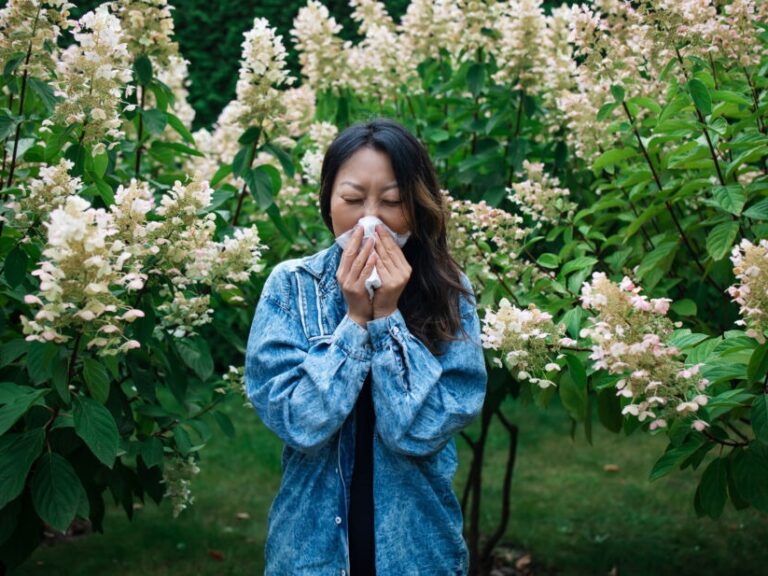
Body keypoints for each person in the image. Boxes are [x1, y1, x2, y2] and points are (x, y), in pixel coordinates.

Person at [245, 117, 488, 575]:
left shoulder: (450, 291)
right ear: (328, 201)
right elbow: (299, 422)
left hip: (418, 550)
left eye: (393, 201)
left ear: (417, 207)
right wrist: (355, 321)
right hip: (310, 550)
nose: (370, 218)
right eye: (353, 199)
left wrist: (388, 318)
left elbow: (419, 430)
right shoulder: (290, 288)